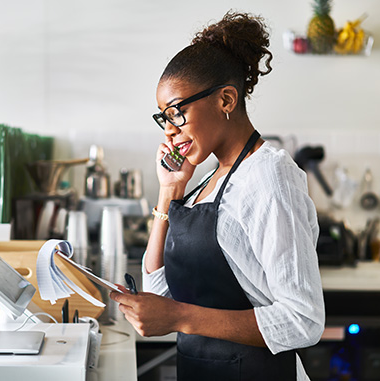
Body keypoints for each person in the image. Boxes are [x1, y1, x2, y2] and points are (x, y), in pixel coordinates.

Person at [110, 11, 325, 381]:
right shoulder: (207, 179)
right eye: (164, 118)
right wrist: (169, 191)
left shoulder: (269, 175)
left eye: (177, 113)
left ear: (226, 99)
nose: (171, 132)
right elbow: (160, 289)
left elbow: (303, 320)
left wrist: (179, 318)